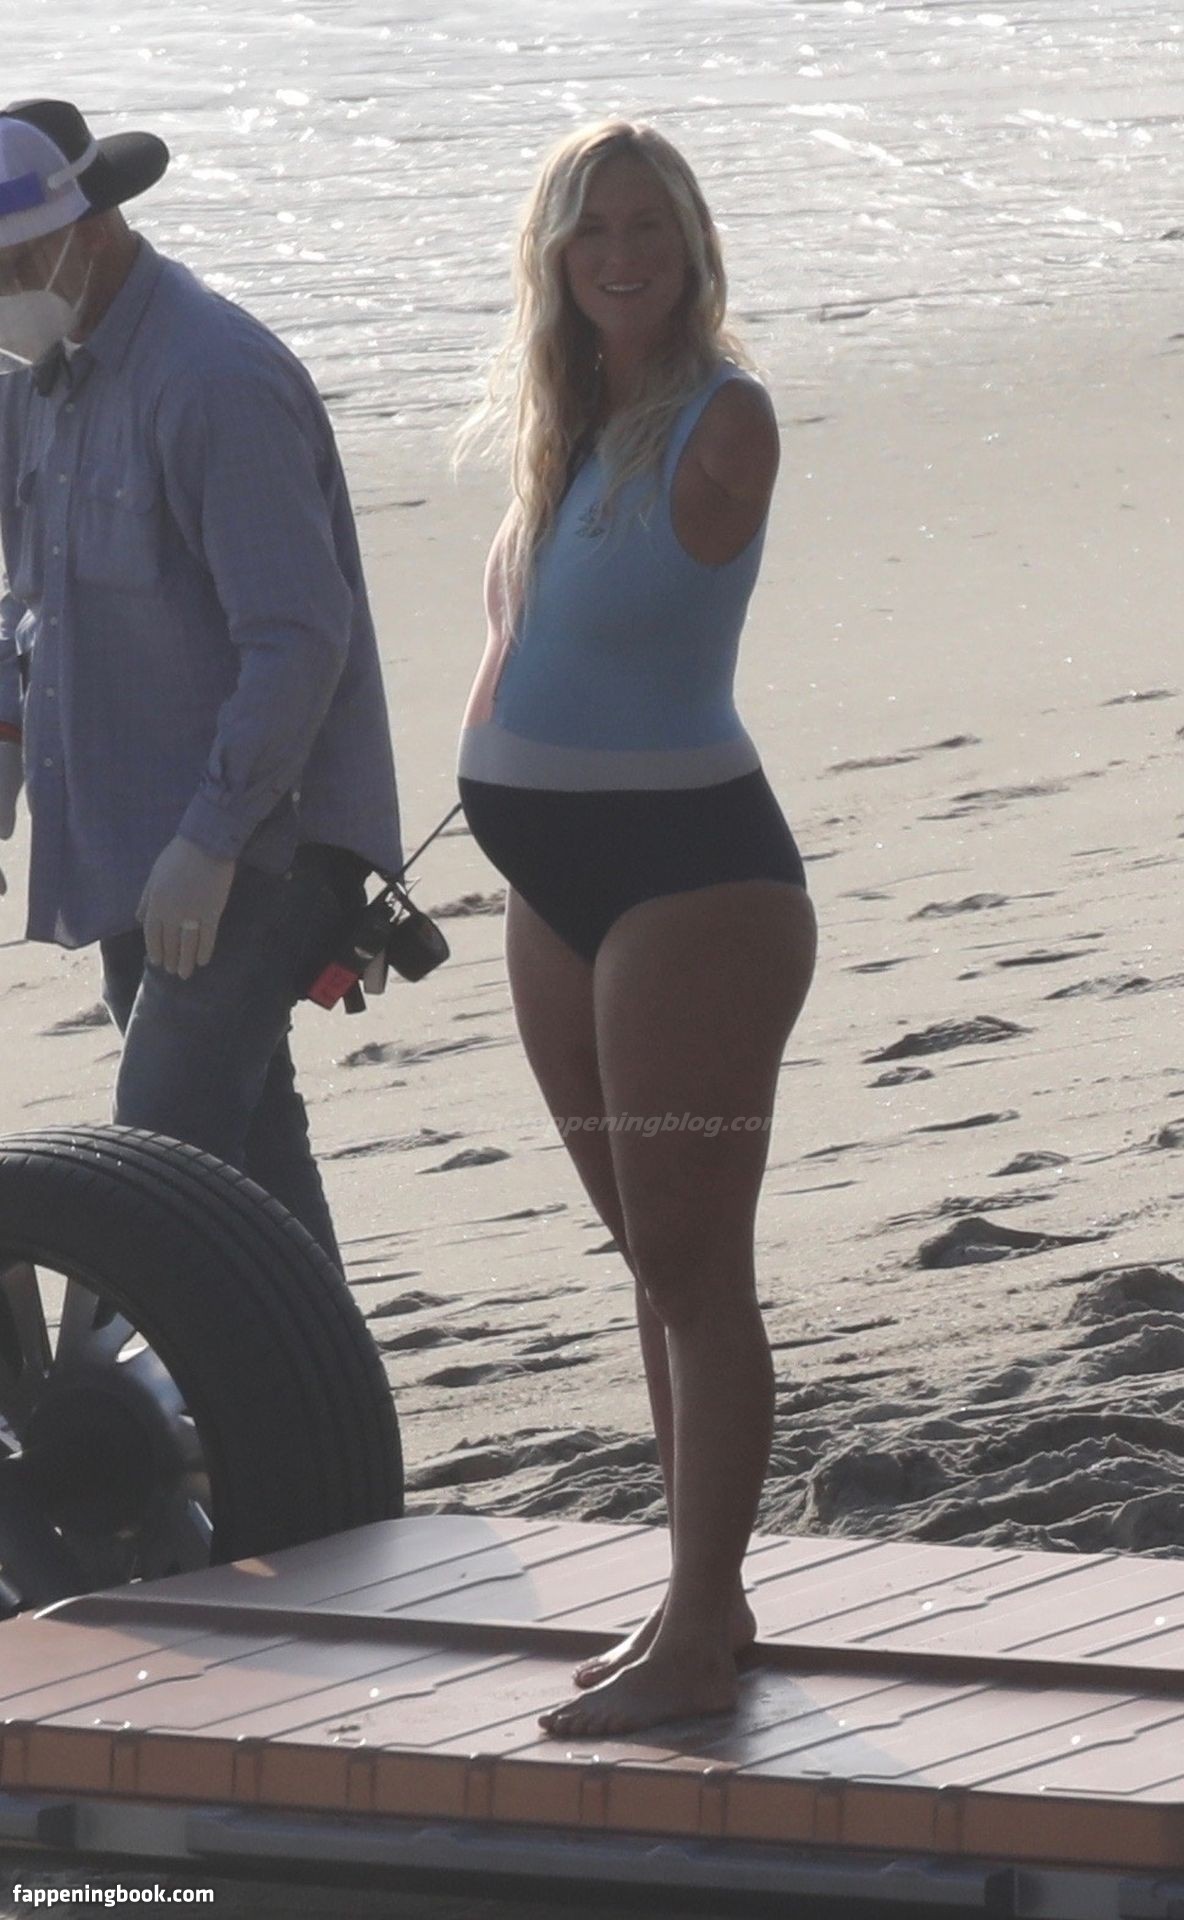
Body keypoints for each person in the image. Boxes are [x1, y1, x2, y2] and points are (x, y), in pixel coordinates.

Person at [456, 120, 818, 1737]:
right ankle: (695, 1604)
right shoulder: (566, 425)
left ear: (690, 248)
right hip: (553, 888)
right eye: (590, 228)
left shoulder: (720, 418)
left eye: (647, 227)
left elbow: (682, 573)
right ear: (553, 254)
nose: (619, 253)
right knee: (647, 1263)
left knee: (693, 1263)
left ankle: (697, 1628)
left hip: (693, 883)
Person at [0, 99, 403, 1270]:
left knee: (160, 1171)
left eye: (13, 264)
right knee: (249, 1171)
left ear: (91, 228)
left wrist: (213, 841)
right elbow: (32, 604)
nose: (0, 293)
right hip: (135, 842)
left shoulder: (214, 379)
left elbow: (298, 637)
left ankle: (211, 1391)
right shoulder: (38, 387)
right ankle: (325, 1389)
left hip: (257, 846)